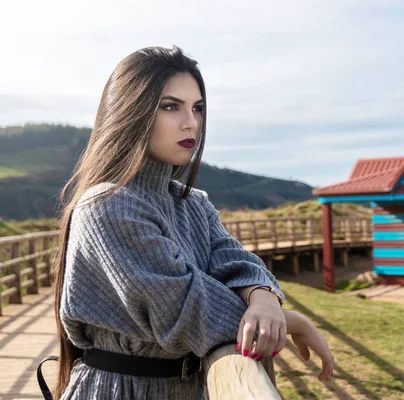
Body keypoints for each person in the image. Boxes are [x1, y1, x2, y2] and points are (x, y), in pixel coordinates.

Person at [51, 45, 334, 399]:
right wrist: (293, 321)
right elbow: (184, 308)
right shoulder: (108, 205)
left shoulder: (192, 203)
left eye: (197, 108)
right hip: (122, 390)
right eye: (171, 107)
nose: (192, 122)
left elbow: (235, 261)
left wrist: (264, 298)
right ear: (129, 111)